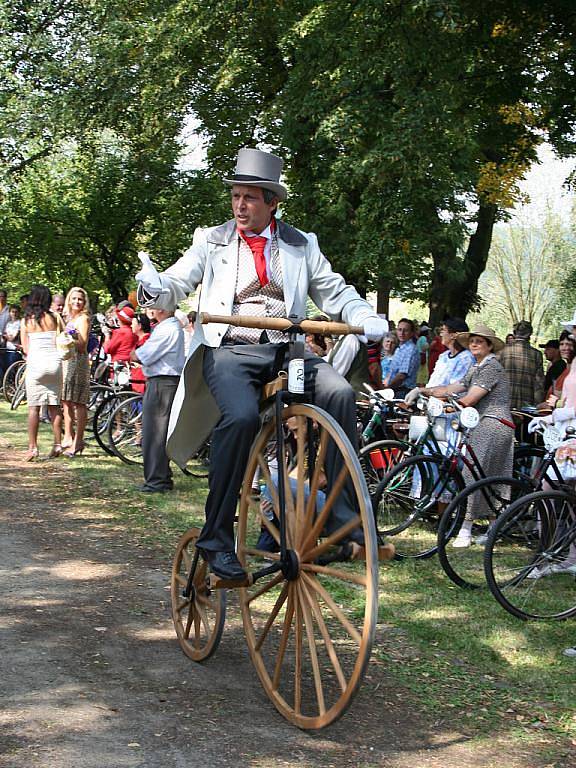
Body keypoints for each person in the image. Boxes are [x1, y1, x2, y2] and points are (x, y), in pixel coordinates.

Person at [136, 147, 388, 579]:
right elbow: (177, 282)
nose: (239, 206)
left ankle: (347, 520)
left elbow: (334, 290)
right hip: (228, 349)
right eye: (236, 196)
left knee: (338, 391)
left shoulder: (299, 244)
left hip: (284, 352)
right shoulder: (211, 239)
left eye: (250, 198)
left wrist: (362, 316)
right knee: (240, 417)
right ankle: (215, 537)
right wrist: (155, 287)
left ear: (273, 202)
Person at [418, 322, 514, 547]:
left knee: (474, 475)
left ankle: (465, 529)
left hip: (494, 422)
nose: (474, 344)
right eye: (471, 341)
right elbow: (455, 387)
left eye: (479, 341)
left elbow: (470, 398)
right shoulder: (476, 367)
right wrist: (425, 392)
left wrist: (447, 407)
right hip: (481, 423)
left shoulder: (491, 367)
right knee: (484, 476)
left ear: (489, 346)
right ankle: (493, 528)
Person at [131, 306, 185, 493]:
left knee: (156, 433)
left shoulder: (168, 328)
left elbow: (144, 355)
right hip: (162, 382)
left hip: (163, 382)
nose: (148, 308)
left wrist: (135, 354)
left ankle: (157, 480)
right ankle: (160, 477)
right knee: (156, 432)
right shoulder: (168, 326)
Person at [20, 285, 63, 460]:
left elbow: (26, 348)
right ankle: (58, 444)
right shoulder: (54, 317)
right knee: (54, 407)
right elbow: (65, 336)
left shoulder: (26, 320)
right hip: (54, 364)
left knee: (34, 408)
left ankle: (33, 447)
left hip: (36, 364)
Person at [61, 287, 92, 457]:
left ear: (84, 302)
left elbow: (82, 345)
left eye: (80, 299)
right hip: (67, 361)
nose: (76, 302)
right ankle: (68, 436)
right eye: (73, 299)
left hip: (78, 363)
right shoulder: (70, 318)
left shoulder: (83, 319)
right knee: (66, 400)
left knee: (78, 402)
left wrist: (71, 332)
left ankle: (78, 440)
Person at [498, 320, 545, 409]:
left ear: (515, 333)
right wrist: (537, 406)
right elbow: (539, 384)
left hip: (504, 402)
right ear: (529, 334)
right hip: (527, 405)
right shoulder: (536, 354)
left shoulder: (503, 352)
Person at [382, 317, 419, 397]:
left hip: (402, 391)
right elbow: (393, 371)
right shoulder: (399, 348)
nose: (401, 333)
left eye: (405, 330)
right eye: (399, 329)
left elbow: (402, 376)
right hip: (394, 390)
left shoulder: (411, 349)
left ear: (412, 333)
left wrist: (387, 388)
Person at [130, 312, 152, 394]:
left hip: (142, 382)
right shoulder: (139, 341)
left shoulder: (146, 341)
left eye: (133, 324)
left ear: (140, 326)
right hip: (137, 381)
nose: (131, 326)